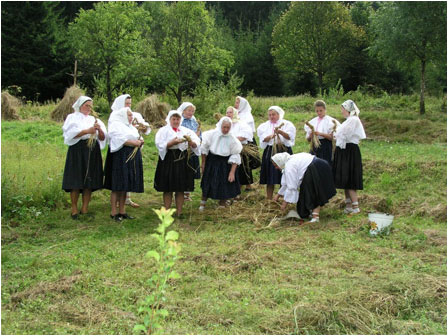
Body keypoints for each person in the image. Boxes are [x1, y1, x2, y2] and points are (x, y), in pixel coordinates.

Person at [62, 96, 107, 219]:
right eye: (87, 105)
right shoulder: (72, 117)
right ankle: (74, 208)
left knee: (89, 179)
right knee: (76, 178)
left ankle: (85, 208)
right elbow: (70, 134)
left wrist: (99, 130)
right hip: (78, 149)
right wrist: (87, 131)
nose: (89, 108)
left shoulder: (94, 119)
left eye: (91, 105)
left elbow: (103, 138)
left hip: (92, 150)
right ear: (80, 105)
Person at [107, 94, 151, 208]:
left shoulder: (133, 115)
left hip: (132, 148)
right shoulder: (115, 116)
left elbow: (145, 128)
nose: (128, 106)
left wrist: (141, 127)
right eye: (126, 103)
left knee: (127, 176)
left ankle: (126, 200)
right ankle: (115, 204)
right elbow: (115, 135)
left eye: (130, 103)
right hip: (119, 148)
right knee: (119, 178)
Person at [154, 110, 201, 218]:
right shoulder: (163, 131)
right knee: (168, 187)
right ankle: (167, 213)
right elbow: (159, 144)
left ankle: (179, 212)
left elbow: (196, 143)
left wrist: (191, 143)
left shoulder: (186, 130)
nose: (176, 121)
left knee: (180, 187)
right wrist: (172, 143)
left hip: (182, 159)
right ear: (169, 119)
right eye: (174, 119)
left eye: (178, 119)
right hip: (168, 158)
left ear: (181, 120)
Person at [105, 107, 144, 221]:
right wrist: (133, 142)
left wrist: (140, 142)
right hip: (121, 155)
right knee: (118, 184)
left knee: (125, 184)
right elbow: (117, 138)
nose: (131, 117)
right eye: (129, 115)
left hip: (131, 155)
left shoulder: (131, 127)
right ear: (122, 115)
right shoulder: (116, 125)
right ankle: (113, 212)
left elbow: (136, 138)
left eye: (132, 115)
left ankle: (122, 211)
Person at [272, 152, 336, 223]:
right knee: (306, 192)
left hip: (316, 167)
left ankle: (315, 217)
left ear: (280, 162)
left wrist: (284, 204)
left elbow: (292, 187)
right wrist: (278, 195)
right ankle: (308, 213)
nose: (276, 168)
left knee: (313, 191)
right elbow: (286, 182)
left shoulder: (289, 166)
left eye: (276, 165)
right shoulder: (288, 162)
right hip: (317, 165)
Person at [199, 117, 242, 210]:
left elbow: (235, 155)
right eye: (224, 127)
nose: (226, 130)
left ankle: (222, 204)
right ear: (220, 126)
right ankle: (203, 203)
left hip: (225, 163)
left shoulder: (233, 139)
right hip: (212, 160)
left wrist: (232, 172)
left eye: (228, 127)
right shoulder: (211, 134)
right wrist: (203, 163)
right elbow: (204, 149)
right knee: (208, 181)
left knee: (224, 182)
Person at [332, 100, 366, 214]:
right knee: (344, 178)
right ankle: (348, 206)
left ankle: (355, 207)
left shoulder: (353, 120)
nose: (342, 111)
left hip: (349, 151)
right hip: (344, 150)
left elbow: (345, 134)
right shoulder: (348, 121)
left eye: (343, 109)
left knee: (350, 178)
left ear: (348, 109)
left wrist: (336, 133)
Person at [257, 106, 296, 200]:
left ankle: (285, 198)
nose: (271, 116)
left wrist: (281, 132)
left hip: (283, 150)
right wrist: (270, 136)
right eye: (269, 115)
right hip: (270, 151)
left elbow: (289, 137)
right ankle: (269, 199)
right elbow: (263, 139)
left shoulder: (286, 124)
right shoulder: (264, 126)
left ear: (279, 114)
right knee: (270, 176)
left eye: (273, 114)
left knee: (285, 174)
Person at [226, 106, 254, 193]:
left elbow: (244, 136)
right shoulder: (225, 124)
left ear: (234, 113)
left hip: (241, 149)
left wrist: (232, 140)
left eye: (230, 112)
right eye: (227, 112)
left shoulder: (241, 124)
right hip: (229, 149)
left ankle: (243, 186)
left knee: (243, 168)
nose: (228, 114)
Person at [304, 100, 340, 164]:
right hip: (315, 146)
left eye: (321, 111)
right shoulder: (313, 121)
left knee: (326, 164)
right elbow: (308, 140)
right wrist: (311, 136)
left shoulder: (330, 121)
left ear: (325, 110)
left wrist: (321, 134)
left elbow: (332, 137)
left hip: (326, 146)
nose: (319, 113)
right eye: (317, 111)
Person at [178, 102, 201, 201]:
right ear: (183, 110)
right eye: (189, 110)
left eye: (192, 111)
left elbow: (198, 133)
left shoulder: (194, 120)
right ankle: (180, 192)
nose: (191, 113)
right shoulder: (179, 120)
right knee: (181, 170)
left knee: (190, 170)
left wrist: (197, 138)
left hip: (192, 148)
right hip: (182, 148)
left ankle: (187, 193)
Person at [235, 96, 258, 191]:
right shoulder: (236, 114)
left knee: (245, 163)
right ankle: (240, 183)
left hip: (246, 142)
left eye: (237, 103)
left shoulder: (247, 116)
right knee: (238, 162)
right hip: (236, 141)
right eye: (235, 102)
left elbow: (248, 131)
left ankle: (247, 184)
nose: (235, 105)